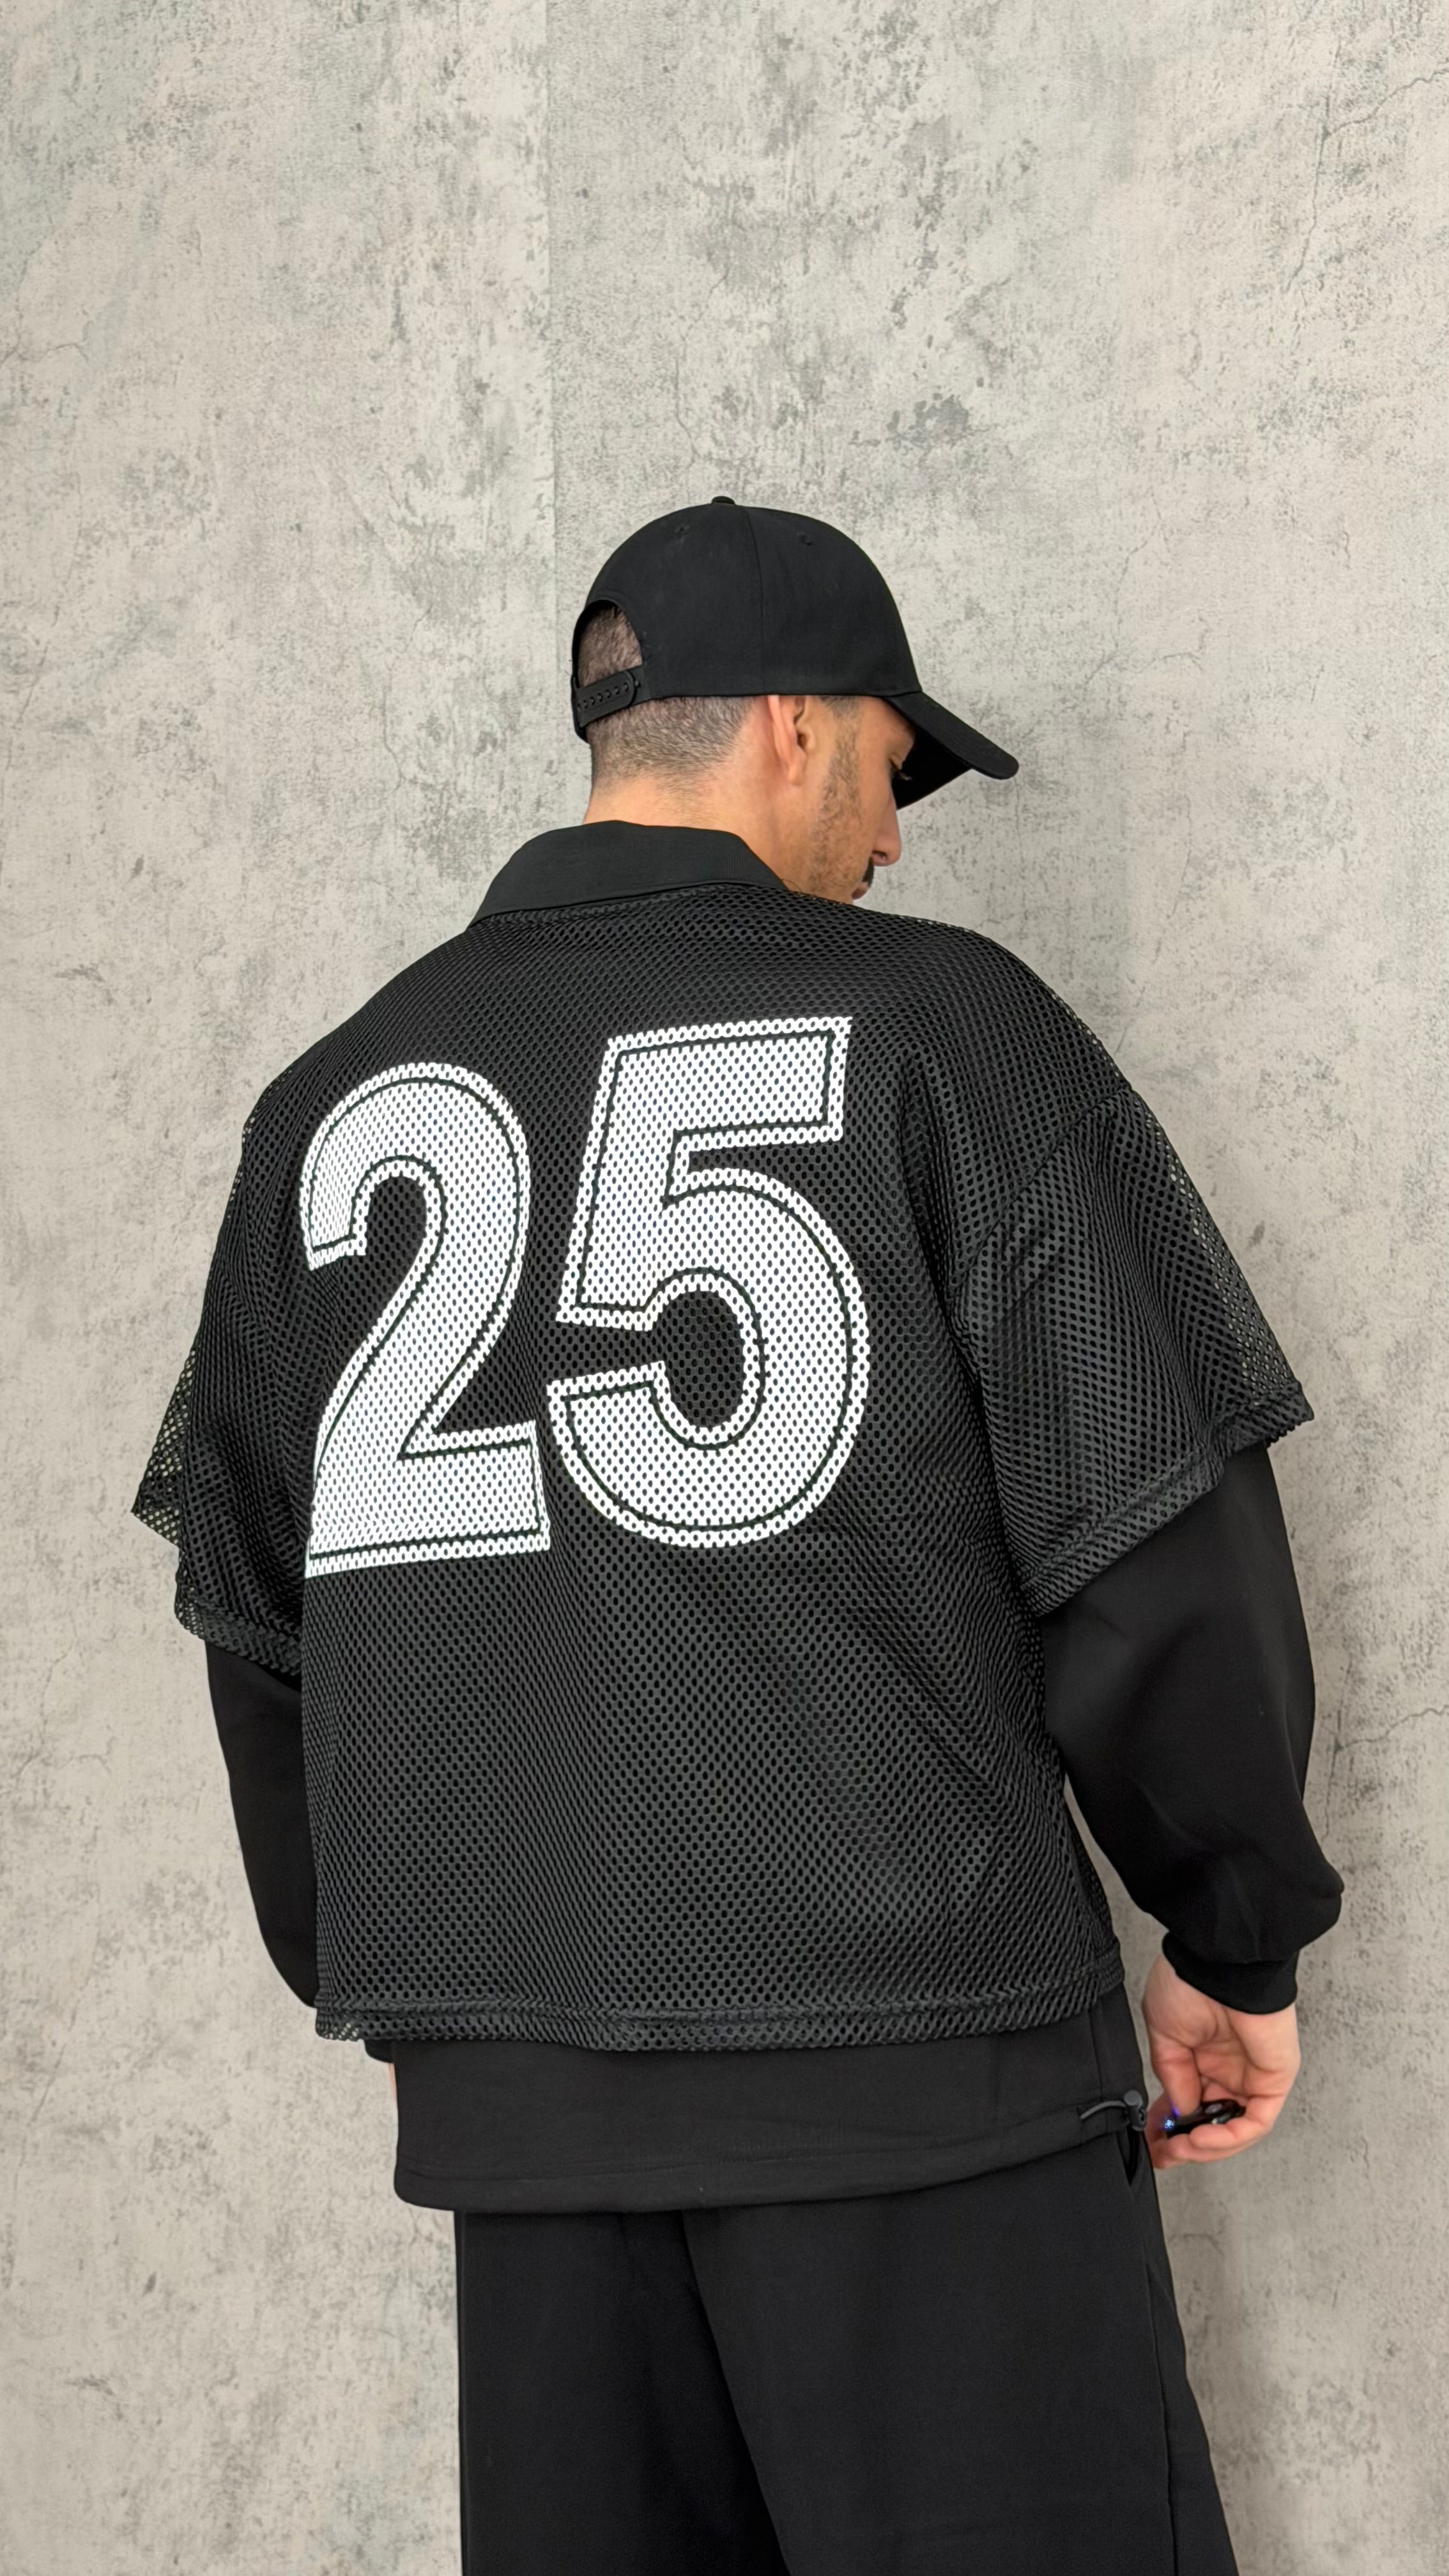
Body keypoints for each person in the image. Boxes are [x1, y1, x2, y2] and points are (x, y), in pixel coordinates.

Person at [133, 497, 1344, 2575]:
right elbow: (1153, 1549)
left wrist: (432, 1992)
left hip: (524, 2124)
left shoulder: (329, 1105)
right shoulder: (945, 1028)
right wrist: (1234, 1931)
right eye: (890, 769)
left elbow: (256, 1611)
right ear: (792, 723)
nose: (893, 843)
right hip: (922, 2080)